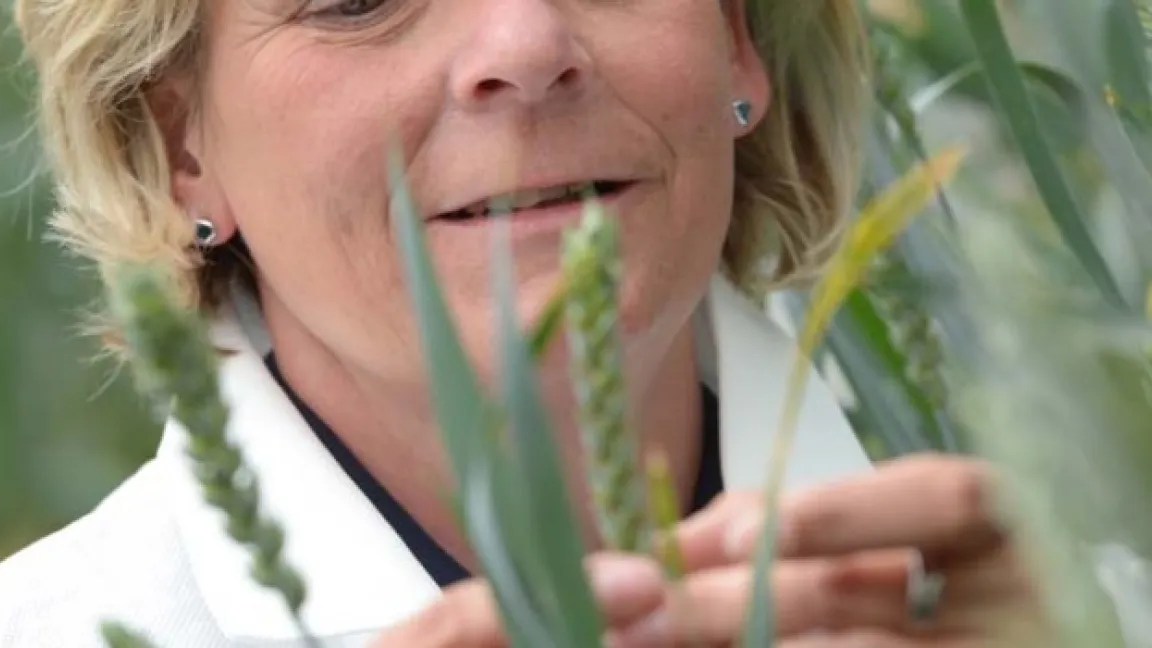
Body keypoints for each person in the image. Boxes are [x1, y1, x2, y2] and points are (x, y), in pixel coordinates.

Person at [1, 0, 1043, 646]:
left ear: (735, 39)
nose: (528, 42)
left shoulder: (1091, 578)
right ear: (177, 138)